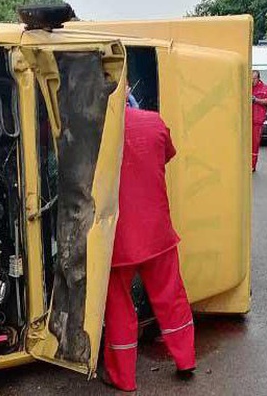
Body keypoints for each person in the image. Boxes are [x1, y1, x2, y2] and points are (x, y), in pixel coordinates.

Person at [102, 105, 196, 392]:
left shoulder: (97, 128)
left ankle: (124, 378)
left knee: (118, 305)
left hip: (119, 237)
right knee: (171, 296)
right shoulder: (154, 121)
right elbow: (167, 153)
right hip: (157, 230)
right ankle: (185, 359)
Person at [251, 70, 267, 172]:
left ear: (258, 78)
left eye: (254, 79)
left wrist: (256, 100)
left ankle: (252, 165)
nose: (252, 81)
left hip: (257, 120)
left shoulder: (265, 89)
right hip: (245, 121)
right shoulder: (246, 87)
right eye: (250, 78)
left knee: (255, 144)